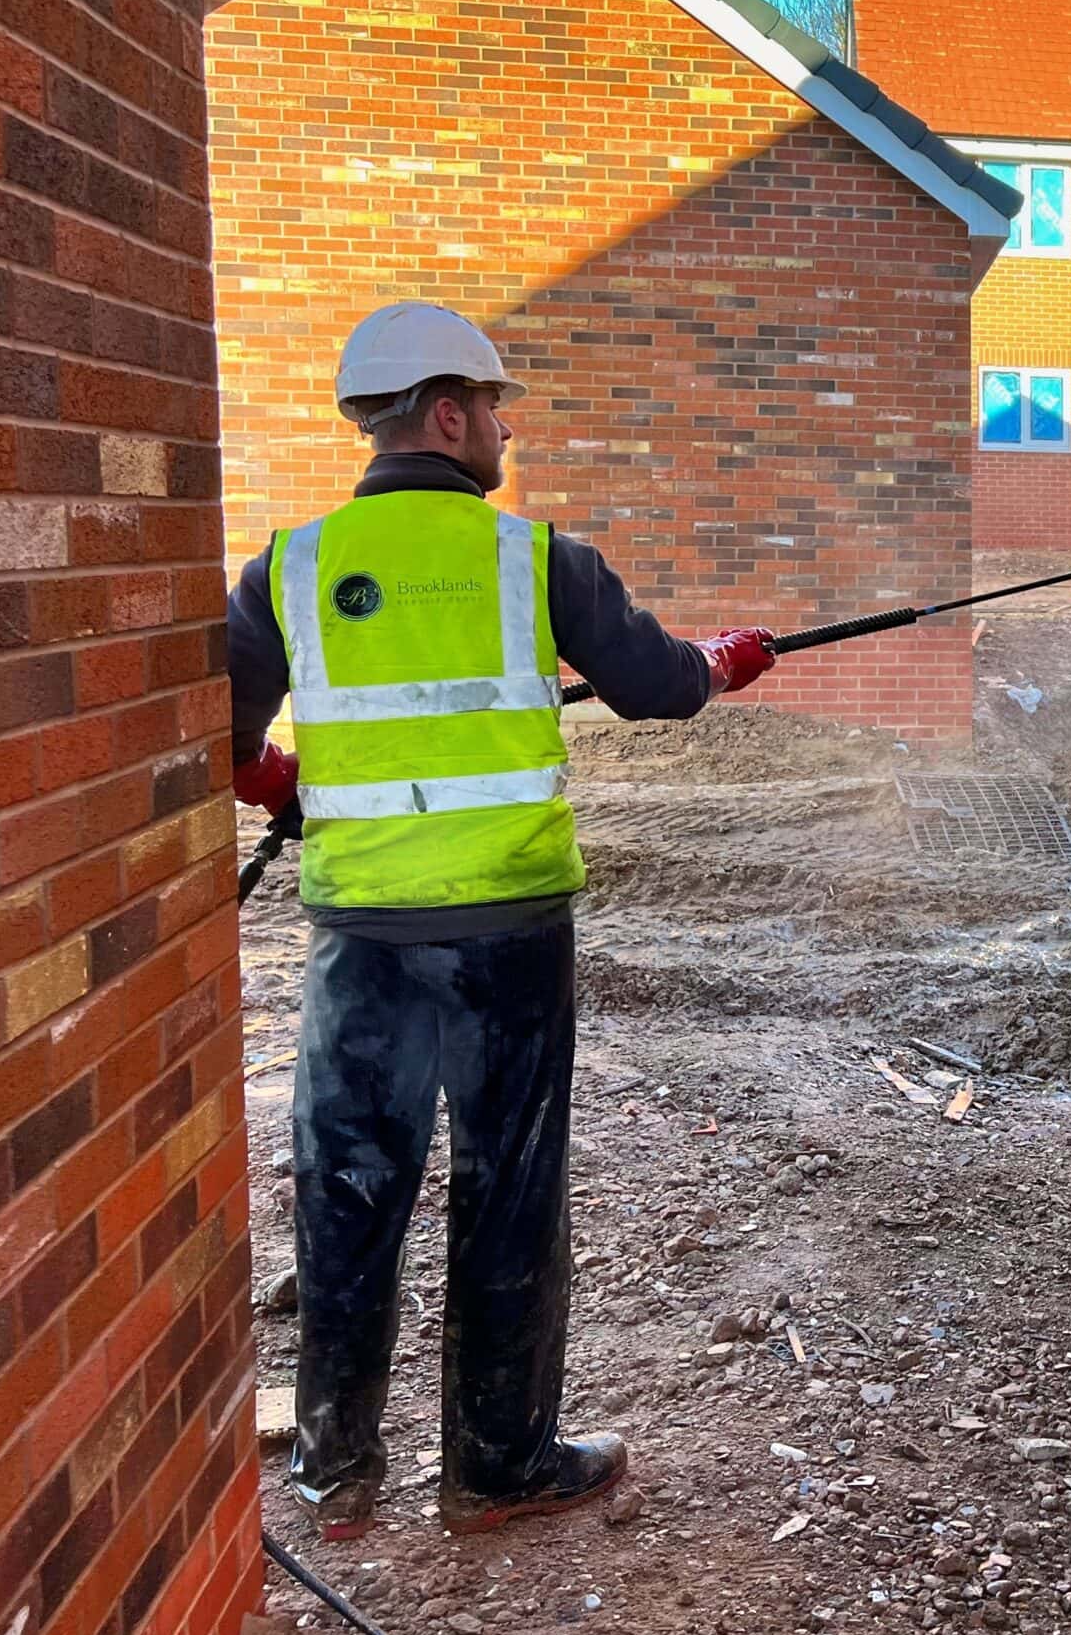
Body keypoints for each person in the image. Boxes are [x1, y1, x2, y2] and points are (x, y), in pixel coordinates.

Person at [227, 302, 777, 1539]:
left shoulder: (288, 569)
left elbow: (219, 738)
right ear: (445, 412)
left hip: (358, 937)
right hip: (507, 938)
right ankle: (496, 1468)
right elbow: (659, 685)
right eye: (495, 408)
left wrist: (283, 787)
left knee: (348, 1188)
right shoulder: (539, 562)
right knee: (508, 1189)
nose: (506, 431)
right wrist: (730, 658)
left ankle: (333, 1472)